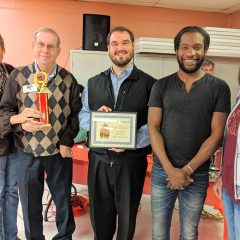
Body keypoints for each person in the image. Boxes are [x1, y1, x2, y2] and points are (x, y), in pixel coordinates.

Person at [148, 26, 231, 240]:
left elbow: (216, 134)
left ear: (205, 50)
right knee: (158, 232)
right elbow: (153, 128)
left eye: (197, 47)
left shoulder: (219, 88)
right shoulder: (161, 86)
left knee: (189, 233)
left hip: (197, 175)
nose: (190, 53)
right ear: (177, 51)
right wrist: (170, 170)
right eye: (184, 47)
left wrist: (186, 170)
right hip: (161, 172)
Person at [0, 27, 82, 240]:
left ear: (58, 50)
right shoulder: (18, 76)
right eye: (41, 44)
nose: (45, 50)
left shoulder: (69, 80)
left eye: (51, 46)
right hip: (26, 152)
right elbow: (6, 110)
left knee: (63, 200)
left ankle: (64, 237)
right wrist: (20, 125)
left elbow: (75, 114)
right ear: (34, 46)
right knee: (30, 205)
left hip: (58, 152)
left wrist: (67, 140)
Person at [79, 26, 156, 240]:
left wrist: (130, 141)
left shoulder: (150, 84)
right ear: (108, 49)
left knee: (127, 216)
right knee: (99, 216)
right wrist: (96, 119)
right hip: (99, 160)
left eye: (125, 43)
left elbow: (154, 124)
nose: (119, 48)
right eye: (114, 44)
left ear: (132, 46)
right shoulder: (93, 83)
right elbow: (83, 116)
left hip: (131, 163)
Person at [0, 34, 19, 239]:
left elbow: (21, 103)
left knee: (12, 192)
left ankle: (11, 235)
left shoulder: (11, 71)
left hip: (13, 144)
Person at [214, 90, 240, 240]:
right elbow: (230, 142)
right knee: (232, 235)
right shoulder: (238, 98)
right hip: (230, 185)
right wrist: (222, 176)